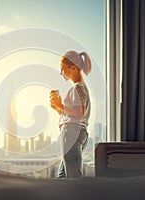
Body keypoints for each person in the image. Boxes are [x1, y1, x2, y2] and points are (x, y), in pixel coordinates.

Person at [49, 50, 92, 178]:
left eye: (63, 69)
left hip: (72, 133)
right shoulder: (81, 87)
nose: (61, 73)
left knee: (73, 178)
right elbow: (74, 115)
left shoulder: (77, 88)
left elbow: (79, 114)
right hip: (78, 132)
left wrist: (61, 106)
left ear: (73, 68)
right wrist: (58, 108)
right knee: (62, 176)